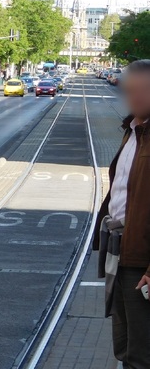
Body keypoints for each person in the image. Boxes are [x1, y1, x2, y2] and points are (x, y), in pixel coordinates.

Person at [95, 60, 150, 368]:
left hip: (142, 260)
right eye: (130, 91)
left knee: (141, 353)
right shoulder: (132, 130)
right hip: (121, 252)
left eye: (142, 91)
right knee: (124, 345)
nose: (134, 97)